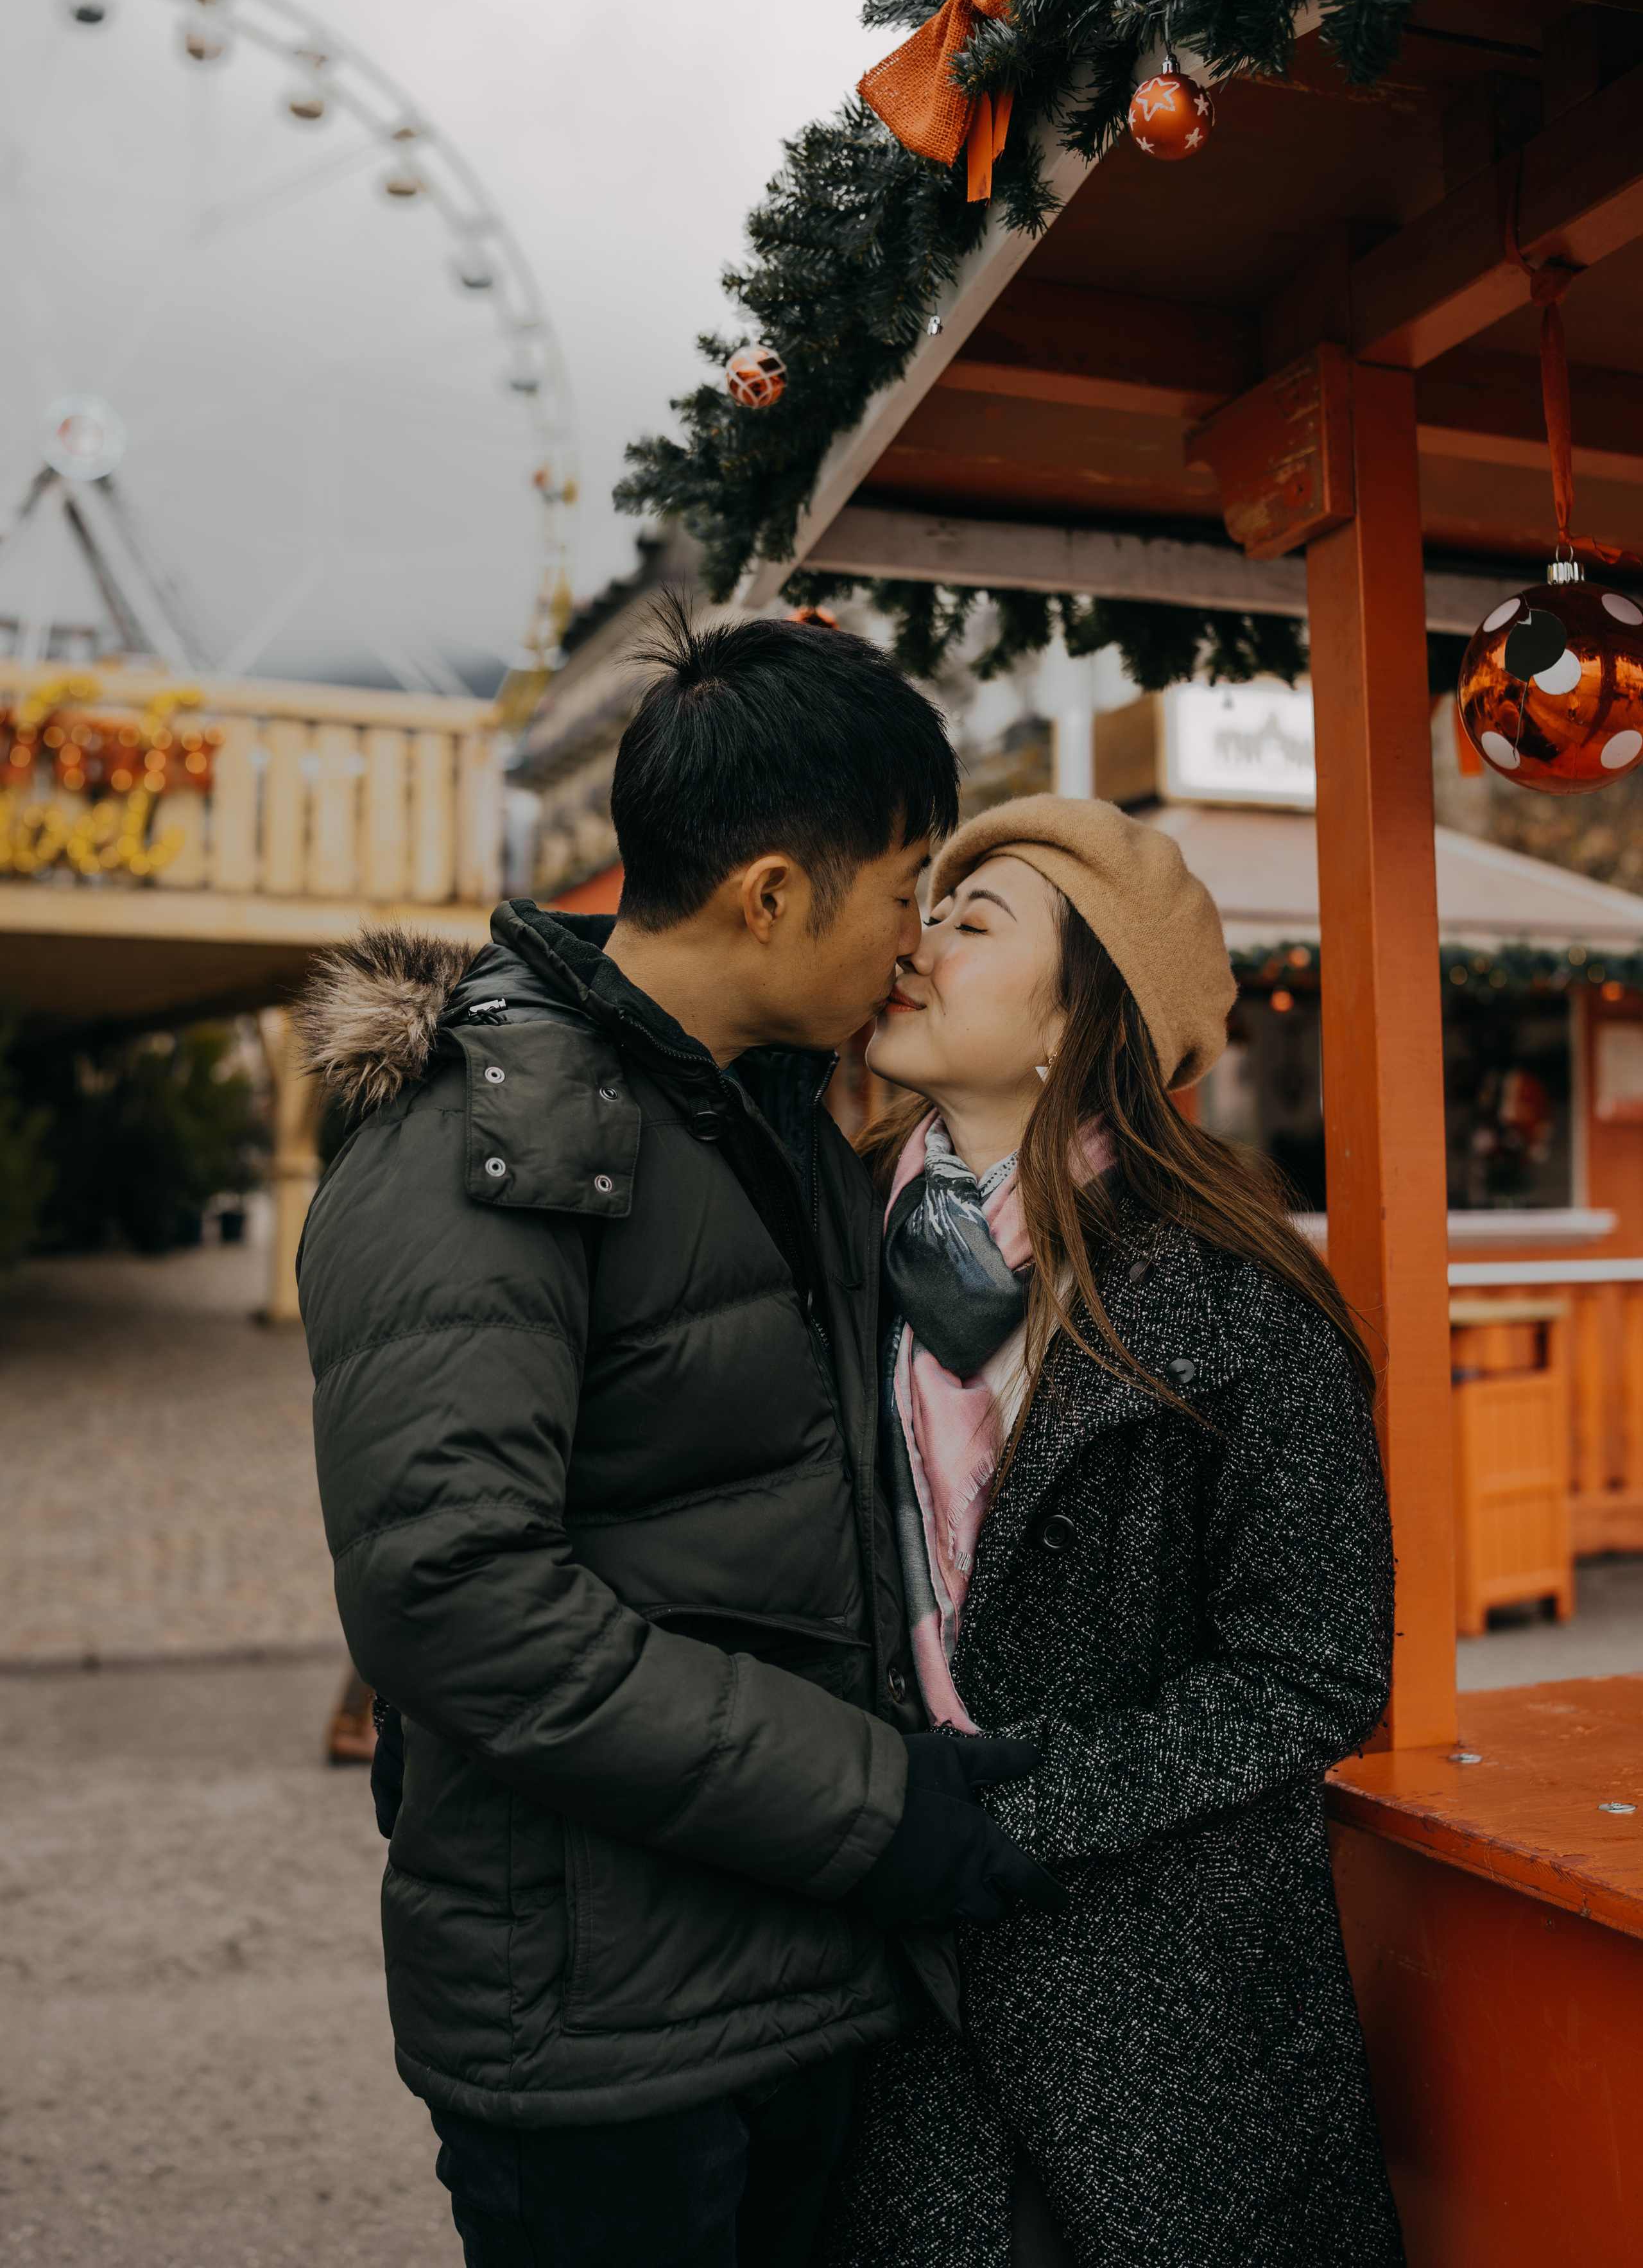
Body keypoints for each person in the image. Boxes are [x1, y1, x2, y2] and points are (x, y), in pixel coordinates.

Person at [293, 604, 1065, 2268]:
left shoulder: (766, 1114)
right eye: (901, 885)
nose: (915, 938)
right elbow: (457, 1599)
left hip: (783, 1973)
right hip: (598, 2033)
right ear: (771, 892)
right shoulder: (476, 1145)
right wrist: (883, 1808)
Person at [822, 794, 1404, 2268]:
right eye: (927, 907)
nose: (919, 938)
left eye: (974, 920)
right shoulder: (829, 1260)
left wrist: (1012, 1812)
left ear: (1076, 1018)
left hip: (1167, 2012)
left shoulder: (1233, 1304)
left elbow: (1316, 1670)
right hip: (891, 2008)